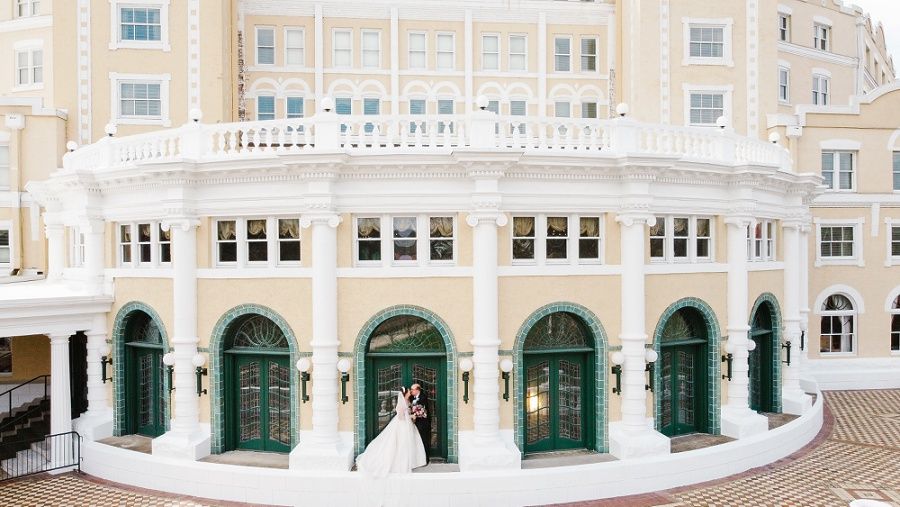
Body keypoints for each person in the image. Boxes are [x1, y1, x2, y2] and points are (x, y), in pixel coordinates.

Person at [355, 387, 426, 478]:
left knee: (409, 442)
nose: (410, 392)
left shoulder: (408, 400)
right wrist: (411, 416)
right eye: (409, 391)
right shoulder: (402, 402)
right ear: (405, 393)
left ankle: (412, 461)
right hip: (402, 424)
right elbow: (400, 416)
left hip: (408, 424)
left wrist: (412, 415)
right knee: (401, 443)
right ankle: (401, 462)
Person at [409, 383, 431, 463]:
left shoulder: (423, 397)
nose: (411, 391)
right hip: (414, 423)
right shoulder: (411, 398)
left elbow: (423, 411)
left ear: (417, 390)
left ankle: (426, 459)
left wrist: (415, 414)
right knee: (417, 441)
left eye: (412, 389)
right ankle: (418, 459)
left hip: (423, 423)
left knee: (424, 440)